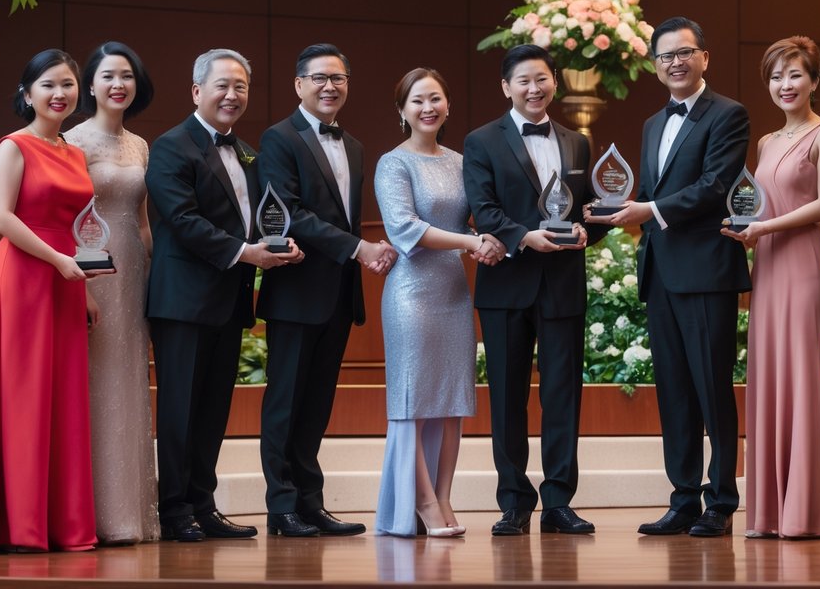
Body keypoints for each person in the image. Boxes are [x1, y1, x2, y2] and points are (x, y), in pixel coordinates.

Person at [587, 16, 751, 538]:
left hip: (706, 272)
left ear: (705, 57)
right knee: (674, 391)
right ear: (655, 66)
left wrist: (647, 211)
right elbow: (649, 192)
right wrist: (626, 211)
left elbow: (714, 186)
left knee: (711, 389)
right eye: (665, 56)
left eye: (684, 53)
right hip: (660, 271)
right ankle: (682, 499)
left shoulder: (729, 114)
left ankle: (721, 501)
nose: (675, 62)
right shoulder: (652, 124)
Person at [0, 49, 107, 554]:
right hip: (23, 276)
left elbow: (78, 229)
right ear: (27, 94)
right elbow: (0, 217)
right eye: (48, 85)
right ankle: (20, 526)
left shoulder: (74, 152)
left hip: (65, 279)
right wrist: (58, 262)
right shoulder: (12, 147)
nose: (60, 93)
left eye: (67, 84)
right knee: (24, 397)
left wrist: (81, 284)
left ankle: (59, 522)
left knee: (60, 397)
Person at [145, 48, 303, 543]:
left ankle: (202, 504)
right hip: (184, 302)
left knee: (213, 409)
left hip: (228, 301)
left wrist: (282, 243)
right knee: (179, 409)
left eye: (241, 87)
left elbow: (261, 217)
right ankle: (173, 511)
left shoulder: (248, 152)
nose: (232, 95)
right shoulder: (170, 147)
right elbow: (183, 221)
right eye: (222, 85)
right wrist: (247, 253)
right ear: (197, 91)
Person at [463, 44, 604, 536]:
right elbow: (483, 208)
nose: (534, 88)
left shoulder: (577, 142)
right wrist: (524, 237)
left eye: (542, 79)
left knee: (564, 395)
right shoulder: (481, 141)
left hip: (563, 284)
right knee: (507, 397)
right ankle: (514, 501)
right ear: (506, 87)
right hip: (506, 285)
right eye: (523, 80)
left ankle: (560, 501)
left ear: (555, 82)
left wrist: (591, 230)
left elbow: (586, 209)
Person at [255, 44, 396, 537]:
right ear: (299, 85)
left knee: (316, 405)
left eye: (338, 77)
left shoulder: (354, 145)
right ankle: (282, 507)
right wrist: (359, 249)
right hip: (295, 292)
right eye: (319, 78)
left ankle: (311, 503)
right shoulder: (278, 139)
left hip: (336, 294)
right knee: (285, 403)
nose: (330, 86)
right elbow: (289, 212)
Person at [374, 67, 504, 537]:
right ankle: (423, 504)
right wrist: (472, 244)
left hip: (452, 292)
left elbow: (482, 216)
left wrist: (489, 239)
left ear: (447, 105)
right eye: (416, 101)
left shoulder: (460, 159)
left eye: (435, 99)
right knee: (412, 401)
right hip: (411, 294)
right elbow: (405, 229)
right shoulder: (393, 163)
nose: (427, 108)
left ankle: (444, 497)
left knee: (452, 402)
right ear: (402, 111)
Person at [721, 36, 820, 539]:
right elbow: (759, 206)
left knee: (799, 377)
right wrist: (746, 231)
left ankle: (804, 512)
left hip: (804, 262)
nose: (785, 85)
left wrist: (763, 230)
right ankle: (769, 512)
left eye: (795, 75)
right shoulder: (767, 141)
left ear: (814, 81)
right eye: (776, 77)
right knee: (768, 376)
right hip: (767, 265)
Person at [64, 42, 160, 545]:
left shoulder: (140, 145)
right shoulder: (72, 142)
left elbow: (142, 222)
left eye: (127, 75)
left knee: (128, 383)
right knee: (93, 384)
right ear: (91, 84)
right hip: (91, 272)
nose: (118, 84)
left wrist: (156, 280)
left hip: (134, 271)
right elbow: (64, 220)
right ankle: (90, 515)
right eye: (108, 76)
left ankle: (129, 516)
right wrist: (81, 285)